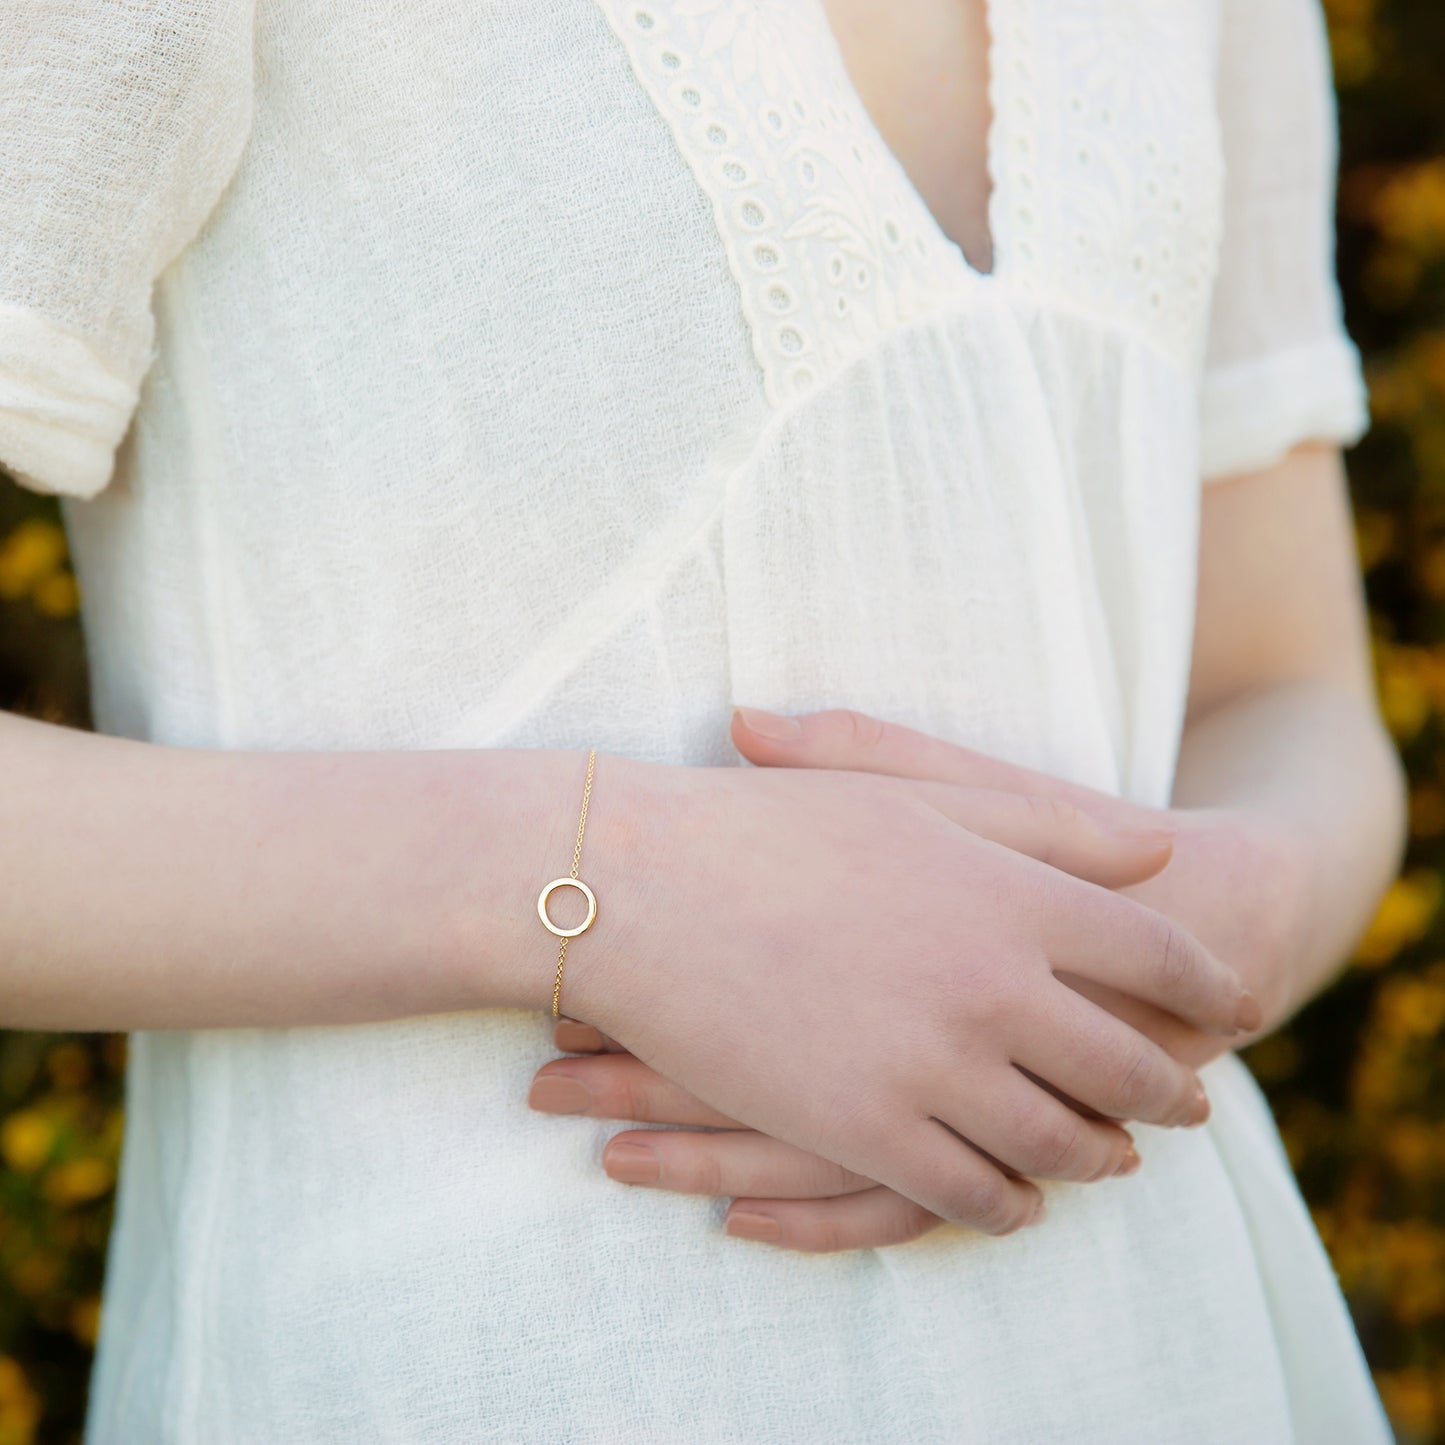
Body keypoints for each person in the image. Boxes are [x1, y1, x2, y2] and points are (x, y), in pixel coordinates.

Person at [0, 0, 1406, 1440]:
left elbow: (1279, 687)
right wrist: (601, 883)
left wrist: (1219, 923)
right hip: (468, 1379)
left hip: (1171, 1363)